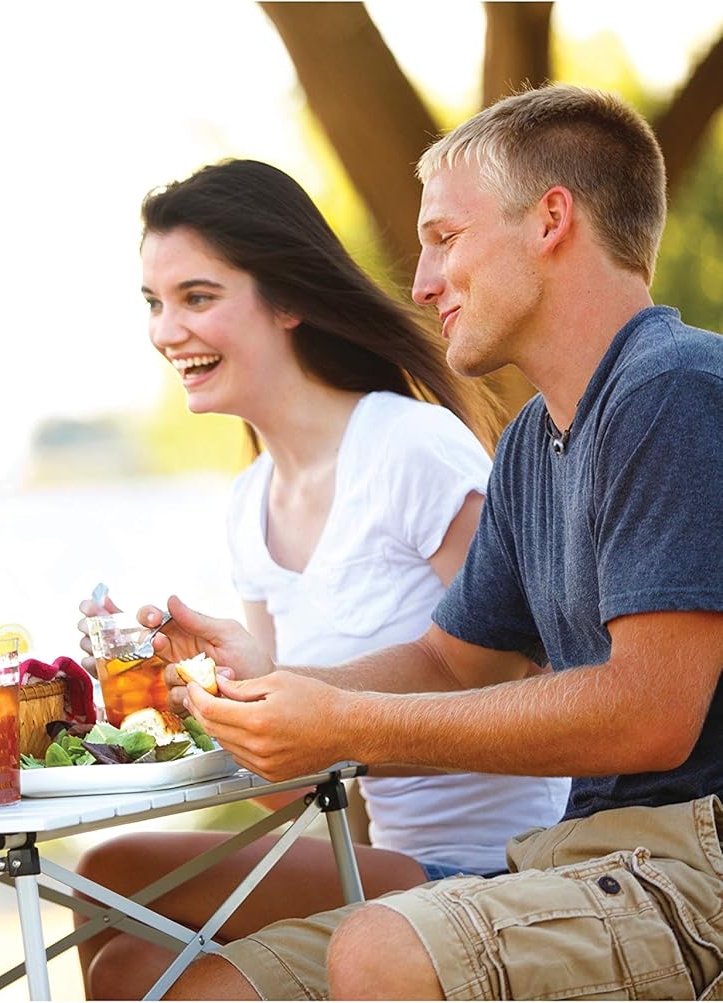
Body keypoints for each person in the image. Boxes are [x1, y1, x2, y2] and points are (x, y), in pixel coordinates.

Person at [121, 83, 723, 1000]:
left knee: (382, 948)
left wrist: (348, 725)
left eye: (446, 237)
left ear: (550, 220)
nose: (421, 281)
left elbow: (650, 711)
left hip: (693, 866)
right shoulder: (534, 441)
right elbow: (452, 662)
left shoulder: (670, 388)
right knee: (176, 985)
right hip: (574, 858)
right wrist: (278, 694)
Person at [72, 159, 571, 997]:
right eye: (155, 304)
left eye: (198, 297)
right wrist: (203, 695)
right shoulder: (250, 502)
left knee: (117, 873)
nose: (166, 331)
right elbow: (303, 786)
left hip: (507, 871)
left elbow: (542, 671)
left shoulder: (411, 448)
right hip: (393, 863)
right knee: (126, 957)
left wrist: (313, 703)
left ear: (289, 299)